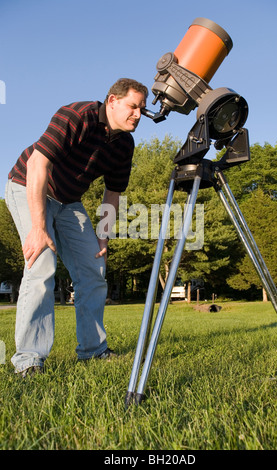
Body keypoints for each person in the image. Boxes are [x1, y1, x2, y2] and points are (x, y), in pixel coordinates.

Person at [5, 78, 148, 377]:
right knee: (41, 264)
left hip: (69, 201)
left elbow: (113, 194)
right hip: (28, 186)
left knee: (94, 268)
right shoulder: (77, 115)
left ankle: (93, 350)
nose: (138, 114)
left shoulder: (124, 144)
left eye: (141, 109)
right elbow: (37, 165)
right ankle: (29, 360)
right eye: (132, 106)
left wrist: (103, 238)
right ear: (112, 101)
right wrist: (39, 228)